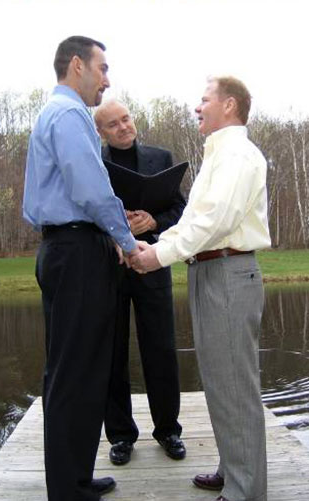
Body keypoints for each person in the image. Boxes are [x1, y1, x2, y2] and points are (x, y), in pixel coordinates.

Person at [130, 76, 270, 501]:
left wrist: (157, 257)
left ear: (229, 105)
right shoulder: (218, 155)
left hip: (228, 272)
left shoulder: (238, 156)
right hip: (211, 272)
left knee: (235, 387)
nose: (197, 107)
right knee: (219, 381)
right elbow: (194, 222)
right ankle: (233, 469)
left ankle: (247, 491)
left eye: (204, 99)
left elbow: (215, 223)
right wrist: (158, 244)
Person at [23, 36, 140, 501]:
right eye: (102, 68)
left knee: (70, 370)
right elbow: (91, 190)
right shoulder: (70, 114)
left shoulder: (54, 113)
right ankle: (69, 489)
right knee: (78, 373)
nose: (107, 80)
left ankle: (73, 475)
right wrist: (126, 241)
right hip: (76, 251)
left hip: (62, 250)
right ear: (77, 65)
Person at [94, 100, 186, 465]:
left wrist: (153, 222)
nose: (123, 127)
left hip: (153, 266)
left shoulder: (160, 157)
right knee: (113, 354)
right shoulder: (94, 163)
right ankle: (120, 436)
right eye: (113, 124)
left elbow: (180, 209)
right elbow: (85, 211)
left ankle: (169, 431)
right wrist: (117, 229)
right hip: (109, 269)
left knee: (161, 351)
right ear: (101, 132)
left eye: (126, 119)